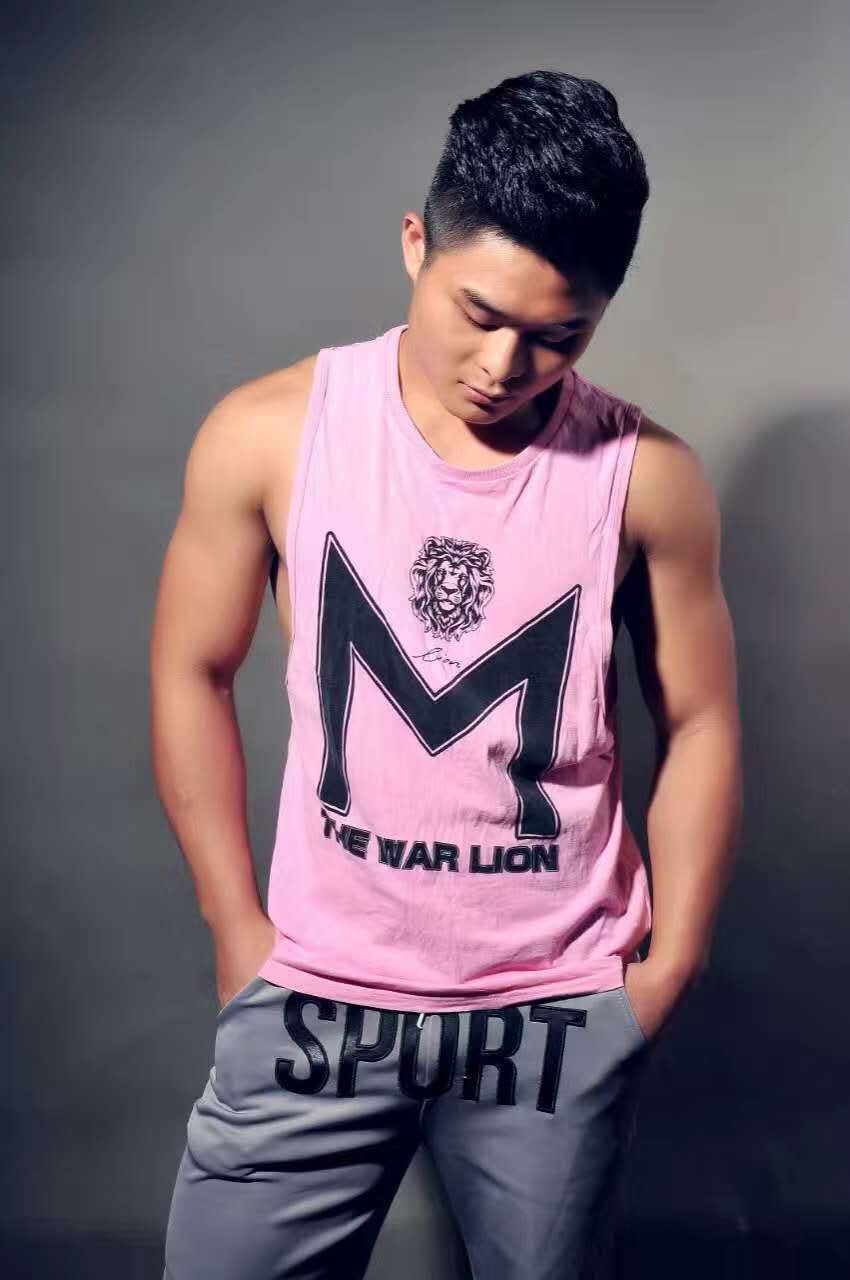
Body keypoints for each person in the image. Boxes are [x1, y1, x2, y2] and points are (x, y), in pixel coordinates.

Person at [151, 69, 742, 1280]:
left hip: (552, 1006)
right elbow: (188, 669)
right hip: (316, 989)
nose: (505, 362)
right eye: (477, 312)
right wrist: (234, 923)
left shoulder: (648, 476)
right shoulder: (268, 432)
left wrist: (667, 962)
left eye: (560, 333)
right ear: (415, 242)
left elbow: (701, 721)